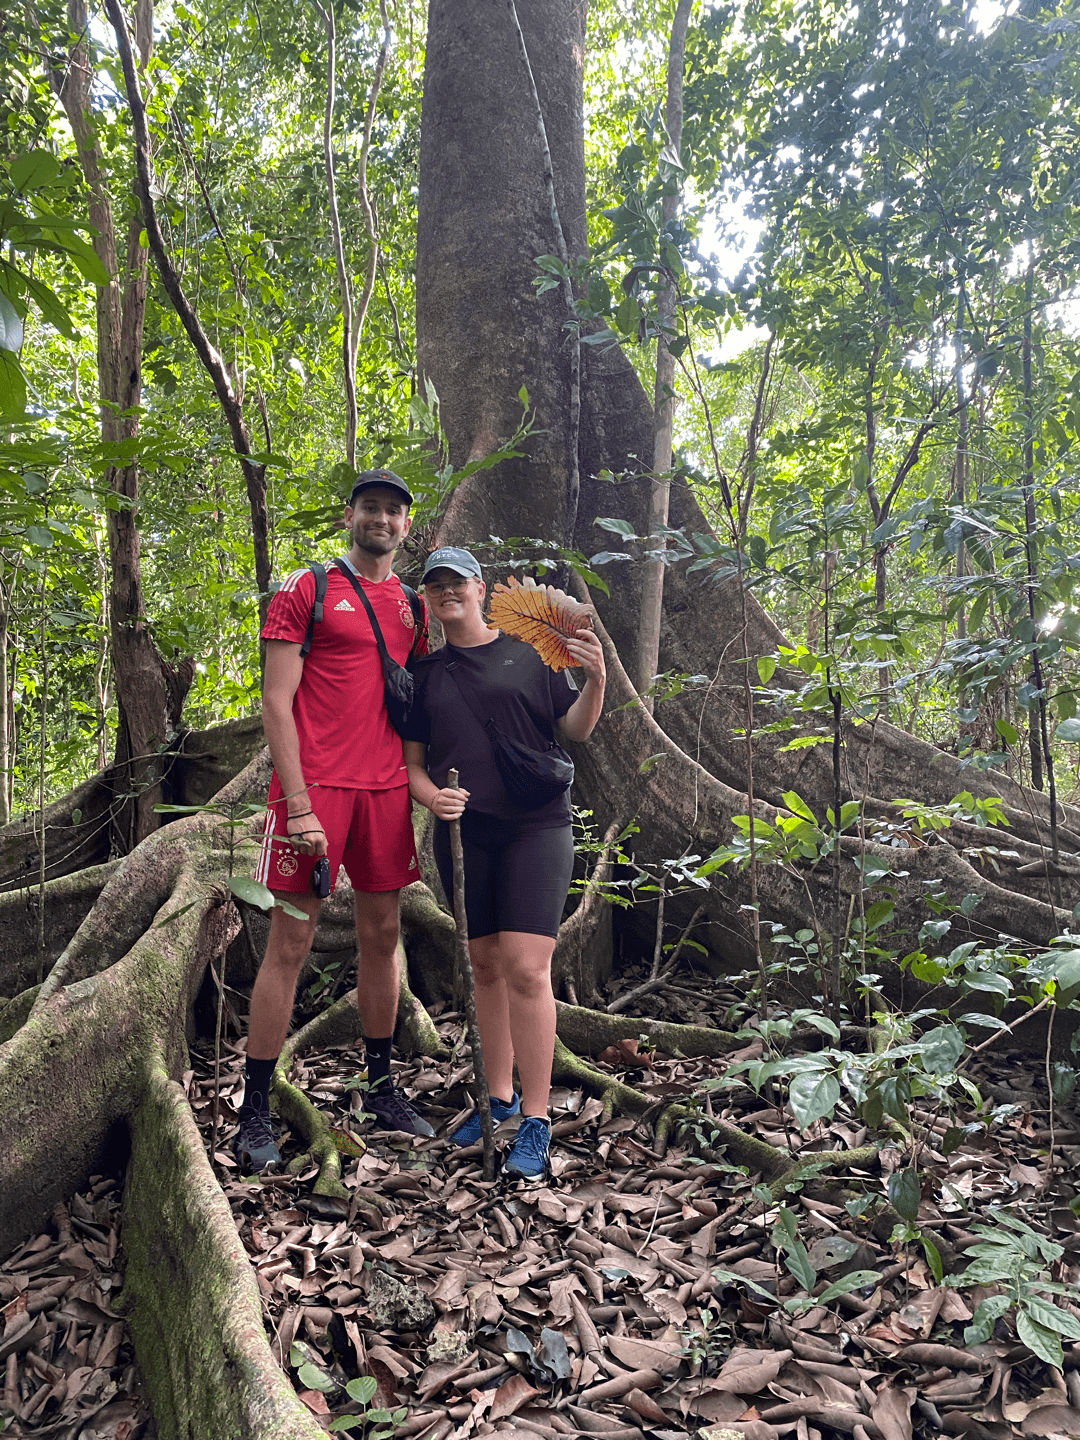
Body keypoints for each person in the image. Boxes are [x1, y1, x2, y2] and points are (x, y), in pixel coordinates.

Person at [235, 470, 435, 1173]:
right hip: (316, 791)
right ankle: (254, 1104)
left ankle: (381, 1085)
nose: (382, 519)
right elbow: (275, 702)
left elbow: (420, 702)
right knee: (289, 944)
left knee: (383, 937)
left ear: (407, 527)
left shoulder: (415, 606)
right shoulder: (308, 589)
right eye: (371, 508)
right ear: (351, 515)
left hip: (385, 794)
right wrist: (295, 805)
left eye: (394, 511)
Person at [403, 547, 606, 1179]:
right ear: (427, 600)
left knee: (526, 966)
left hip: (535, 826)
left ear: (480, 588)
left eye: (456, 583)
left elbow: (574, 729)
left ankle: (538, 1119)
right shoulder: (426, 673)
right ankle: (497, 1098)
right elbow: (412, 766)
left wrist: (596, 680)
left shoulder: (528, 649)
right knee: (484, 966)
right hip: (466, 835)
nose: (446, 594)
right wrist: (434, 797)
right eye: (434, 587)